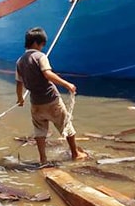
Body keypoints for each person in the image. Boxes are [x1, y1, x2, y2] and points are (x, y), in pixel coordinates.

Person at [15, 27, 87, 164]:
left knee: (40, 132)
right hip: (51, 100)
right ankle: (75, 153)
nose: (42, 47)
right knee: (66, 125)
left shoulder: (19, 61)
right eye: (42, 44)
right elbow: (47, 74)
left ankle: (43, 159)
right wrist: (67, 84)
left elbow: (19, 83)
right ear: (36, 43)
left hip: (36, 104)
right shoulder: (41, 57)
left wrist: (20, 99)